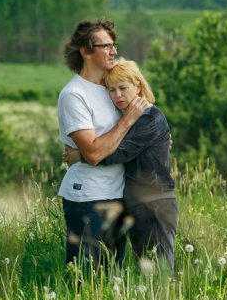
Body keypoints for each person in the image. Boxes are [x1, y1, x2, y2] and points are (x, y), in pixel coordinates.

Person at [66, 59, 178, 269]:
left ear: (138, 86)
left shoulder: (149, 118)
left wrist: (78, 155)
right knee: (145, 272)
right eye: (111, 90)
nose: (117, 95)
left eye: (123, 88)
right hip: (137, 204)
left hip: (155, 204)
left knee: (159, 275)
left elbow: (118, 152)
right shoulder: (130, 118)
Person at [57, 19, 149, 270]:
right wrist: (129, 120)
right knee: (84, 281)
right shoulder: (74, 95)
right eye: (105, 46)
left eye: (114, 45)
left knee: (112, 280)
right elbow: (95, 152)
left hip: (119, 196)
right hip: (88, 199)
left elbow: (141, 135)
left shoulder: (113, 87)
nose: (114, 51)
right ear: (85, 52)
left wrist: (156, 140)